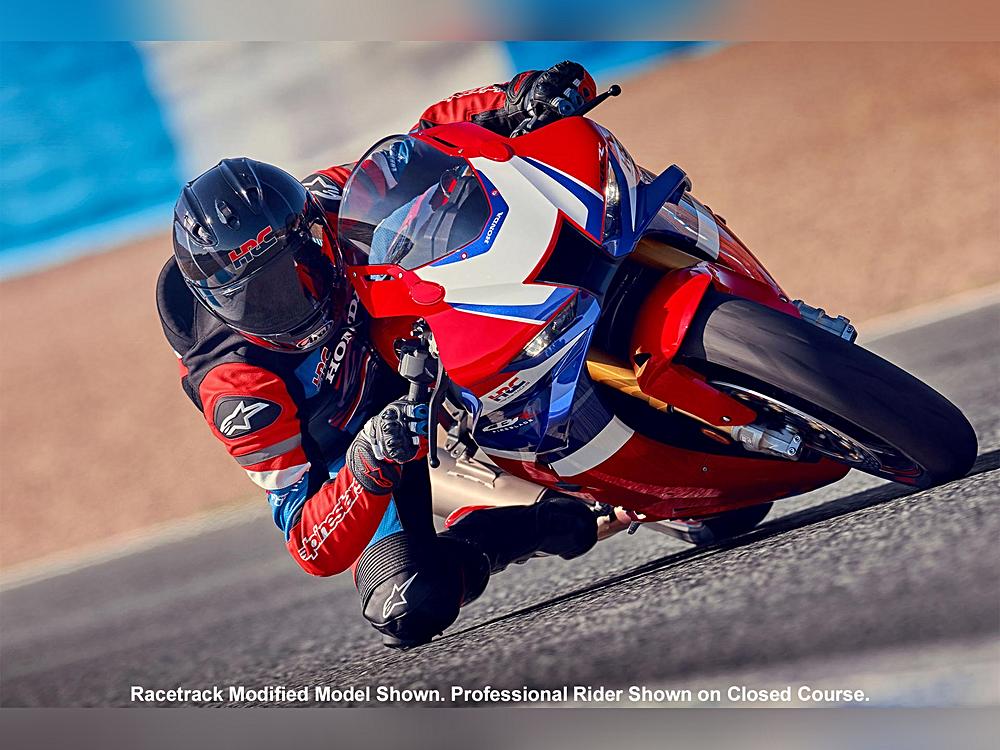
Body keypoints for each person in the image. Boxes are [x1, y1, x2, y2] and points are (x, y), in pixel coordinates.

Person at [156, 62, 627, 649]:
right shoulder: (236, 387)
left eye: (303, 264)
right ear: (217, 303)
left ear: (312, 227)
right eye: (262, 299)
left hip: (424, 340)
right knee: (407, 601)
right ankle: (519, 526)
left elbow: (425, 143)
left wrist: (515, 99)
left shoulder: (327, 200)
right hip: (372, 443)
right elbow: (307, 541)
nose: (297, 297)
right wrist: (368, 460)